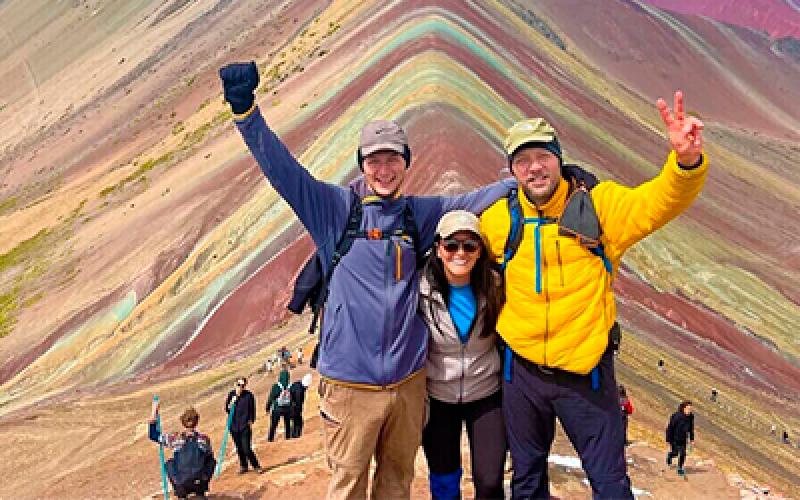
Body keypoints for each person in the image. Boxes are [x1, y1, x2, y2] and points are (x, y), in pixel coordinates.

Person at [220, 61, 514, 499]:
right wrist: (246, 113)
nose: (383, 169)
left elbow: (472, 199)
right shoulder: (334, 210)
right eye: (374, 160)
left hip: (409, 384)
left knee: (397, 486)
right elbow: (283, 172)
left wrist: (533, 181)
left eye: (392, 159)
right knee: (349, 488)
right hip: (348, 386)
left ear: (406, 163)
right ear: (362, 164)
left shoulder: (417, 214)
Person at [479, 91, 708, 499]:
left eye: (542, 157)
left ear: (558, 158)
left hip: (586, 374)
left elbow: (655, 204)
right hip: (522, 373)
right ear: (512, 170)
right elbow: (458, 259)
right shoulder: (499, 221)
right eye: (522, 161)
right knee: (527, 480)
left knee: (609, 483)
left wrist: (685, 163)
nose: (534, 168)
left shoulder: (598, 207)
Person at [419, 211, 507, 500]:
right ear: (438, 248)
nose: (461, 253)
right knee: (444, 481)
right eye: (451, 245)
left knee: (491, 480)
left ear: (480, 251)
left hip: (486, 394)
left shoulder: (496, 286)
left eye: (470, 246)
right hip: (438, 397)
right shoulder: (420, 289)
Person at [149, 402, 215, 498]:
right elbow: (210, 458)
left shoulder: (175, 439)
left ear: (182, 422)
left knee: (170, 463)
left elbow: (153, 435)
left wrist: (153, 413)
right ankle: (201, 491)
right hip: (200, 482)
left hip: (182, 483)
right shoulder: (204, 439)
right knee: (210, 460)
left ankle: (180, 492)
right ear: (197, 422)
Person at [224, 377, 263, 474]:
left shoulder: (249, 396)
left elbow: (252, 409)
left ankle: (256, 466)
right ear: (235, 384)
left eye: (242, 385)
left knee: (246, 448)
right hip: (234, 426)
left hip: (244, 426)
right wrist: (233, 401)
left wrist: (251, 420)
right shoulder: (231, 394)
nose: (240, 387)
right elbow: (227, 409)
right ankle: (244, 466)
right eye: (238, 385)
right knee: (239, 448)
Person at [666, 400, 695, 477]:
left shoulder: (691, 417)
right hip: (674, 438)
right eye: (688, 409)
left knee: (683, 453)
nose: (689, 411)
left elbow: (691, 428)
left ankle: (680, 468)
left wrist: (692, 439)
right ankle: (670, 455)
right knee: (675, 453)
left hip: (683, 439)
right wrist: (668, 439)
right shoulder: (676, 416)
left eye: (690, 409)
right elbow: (670, 428)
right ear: (683, 408)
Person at [266, 368, 293, 441]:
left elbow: (271, 398)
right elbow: (292, 398)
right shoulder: (290, 386)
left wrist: (267, 408)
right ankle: (288, 438)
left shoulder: (276, 386)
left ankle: (270, 439)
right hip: (287, 408)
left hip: (277, 409)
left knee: (273, 425)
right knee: (287, 424)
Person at [289, 373, 313, 438]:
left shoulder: (296, 383)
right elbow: (298, 403)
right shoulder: (300, 391)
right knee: (298, 422)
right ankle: (295, 437)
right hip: (293, 409)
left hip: (288, 407)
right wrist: (299, 411)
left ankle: (292, 435)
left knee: (295, 422)